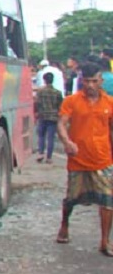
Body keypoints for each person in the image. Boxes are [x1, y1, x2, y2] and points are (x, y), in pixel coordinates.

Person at [55, 61, 113, 256]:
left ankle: (105, 241)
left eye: (94, 81)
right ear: (81, 80)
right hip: (78, 160)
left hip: (103, 160)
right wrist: (66, 142)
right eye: (86, 81)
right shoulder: (71, 101)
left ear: (101, 81)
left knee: (107, 201)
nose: (89, 85)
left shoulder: (109, 103)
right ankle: (64, 225)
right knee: (71, 198)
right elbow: (62, 124)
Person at [34, 72, 63, 163]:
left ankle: (41, 153)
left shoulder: (40, 92)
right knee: (51, 137)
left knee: (41, 136)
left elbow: (37, 103)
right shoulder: (57, 93)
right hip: (53, 117)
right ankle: (49, 157)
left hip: (42, 115)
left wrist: (37, 112)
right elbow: (60, 105)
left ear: (44, 80)